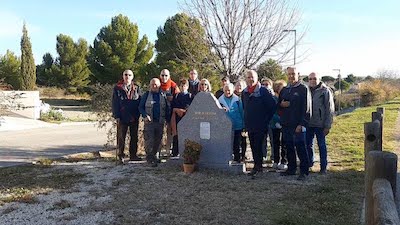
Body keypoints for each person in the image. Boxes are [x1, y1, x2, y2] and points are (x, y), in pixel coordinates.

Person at [279, 67, 312, 181]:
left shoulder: (303, 89)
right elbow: (279, 104)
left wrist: (302, 124)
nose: (291, 76)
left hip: (298, 125)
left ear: (298, 74)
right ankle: (291, 169)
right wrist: (282, 105)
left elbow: (307, 108)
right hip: (286, 124)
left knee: (301, 148)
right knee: (289, 147)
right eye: (289, 74)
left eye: (293, 74)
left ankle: (304, 171)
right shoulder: (285, 89)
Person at [242, 70, 277, 176]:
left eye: (252, 77)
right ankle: (256, 166)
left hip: (261, 124)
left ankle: (259, 166)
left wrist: (265, 120)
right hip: (250, 124)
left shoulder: (264, 91)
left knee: (259, 145)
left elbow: (272, 106)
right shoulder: (245, 92)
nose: (250, 79)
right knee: (252, 145)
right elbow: (245, 108)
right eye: (248, 77)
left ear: (257, 78)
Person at [306, 72, 334, 174]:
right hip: (308, 123)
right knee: (308, 145)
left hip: (320, 124)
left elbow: (329, 109)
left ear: (319, 79)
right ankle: (309, 164)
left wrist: (327, 125)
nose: (312, 81)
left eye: (314, 78)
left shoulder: (325, 91)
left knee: (321, 145)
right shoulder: (306, 90)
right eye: (310, 79)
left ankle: (323, 167)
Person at [139, 78, 171, 167]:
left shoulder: (163, 95)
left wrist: (168, 120)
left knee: (158, 140)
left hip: (160, 122)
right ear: (150, 85)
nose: (154, 86)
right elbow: (140, 107)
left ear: (159, 85)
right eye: (152, 84)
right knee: (149, 140)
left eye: (156, 84)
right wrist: (145, 115)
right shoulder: (146, 95)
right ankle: (149, 159)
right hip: (149, 123)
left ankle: (155, 157)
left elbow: (167, 108)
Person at [112, 69, 141, 163]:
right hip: (122, 116)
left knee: (134, 137)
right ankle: (120, 155)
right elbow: (115, 103)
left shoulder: (136, 87)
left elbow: (139, 102)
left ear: (132, 77)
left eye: (129, 75)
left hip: (134, 116)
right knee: (121, 137)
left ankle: (133, 155)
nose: (127, 76)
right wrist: (117, 115)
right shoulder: (117, 88)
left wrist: (138, 115)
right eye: (125, 75)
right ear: (123, 76)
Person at [218, 83, 244, 163]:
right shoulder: (219, 100)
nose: (227, 92)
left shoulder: (237, 100)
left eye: (229, 90)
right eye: (225, 90)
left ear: (232, 90)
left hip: (237, 125)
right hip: (225, 126)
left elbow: (242, 112)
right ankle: (226, 158)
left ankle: (237, 159)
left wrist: (244, 124)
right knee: (226, 143)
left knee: (237, 143)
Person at [159, 69, 180, 154]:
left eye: (166, 75)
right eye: (162, 75)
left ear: (169, 76)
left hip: (170, 112)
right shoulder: (157, 84)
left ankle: (168, 150)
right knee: (159, 132)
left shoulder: (173, 85)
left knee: (169, 132)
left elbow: (178, 99)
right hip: (159, 112)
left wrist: (172, 99)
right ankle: (158, 151)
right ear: (160, 75)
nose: (164, 77)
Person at [171, 79, 193, 157]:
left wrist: (184, 111)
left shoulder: (190, 96)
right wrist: (177, 110)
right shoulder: (176, 96)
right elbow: (173, 106)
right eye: (181, 86)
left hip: (186, 117)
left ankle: (186, 152)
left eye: (185, 86)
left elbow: (191, 107)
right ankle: (175, 152)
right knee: (176, 135)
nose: (183, 87)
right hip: (177, 118)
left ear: (187, 87)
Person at [271, 80, 288, 170]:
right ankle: (276, 160)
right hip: (274, 124)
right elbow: (272, 111)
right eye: (280, 88)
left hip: (285, 123)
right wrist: (277, 121)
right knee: (275, 143)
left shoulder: (287, 98)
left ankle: (284, 161)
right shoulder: (273, 98)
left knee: (284, 143)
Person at [234, 80, 248, 161]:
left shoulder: (245, 95)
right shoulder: (232, 96)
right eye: (237, 85)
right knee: (236, 140)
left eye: (241, 85)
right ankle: (236, 155)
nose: (239, 87)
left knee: (243, 139)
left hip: (244, 119)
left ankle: (243, 155)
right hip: (236, 121)